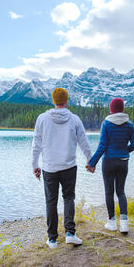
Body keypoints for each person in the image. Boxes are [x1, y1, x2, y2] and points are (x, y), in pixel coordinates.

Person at [32, 87, 92, 249]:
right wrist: (90, 160)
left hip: (49, 168)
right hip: (69, 167)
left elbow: (36, 144)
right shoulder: (74, 119)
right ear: (66, 101)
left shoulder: (42, 119)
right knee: (69, 198)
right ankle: (70, 234)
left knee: (51, 202)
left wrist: (35, 165)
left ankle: (52, 240)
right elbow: (84, 142)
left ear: (54, 101)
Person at [86, 98, 134, 233]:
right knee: (121, 191)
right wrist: (125, 151)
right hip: (123, 162)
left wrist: (92, 163)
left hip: (109, 161)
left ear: (111, 109)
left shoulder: (106, 124)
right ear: (122, 109)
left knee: (109, 192)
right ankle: (124, 223)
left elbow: (102, 146)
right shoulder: (129, 125)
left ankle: (112, 222)